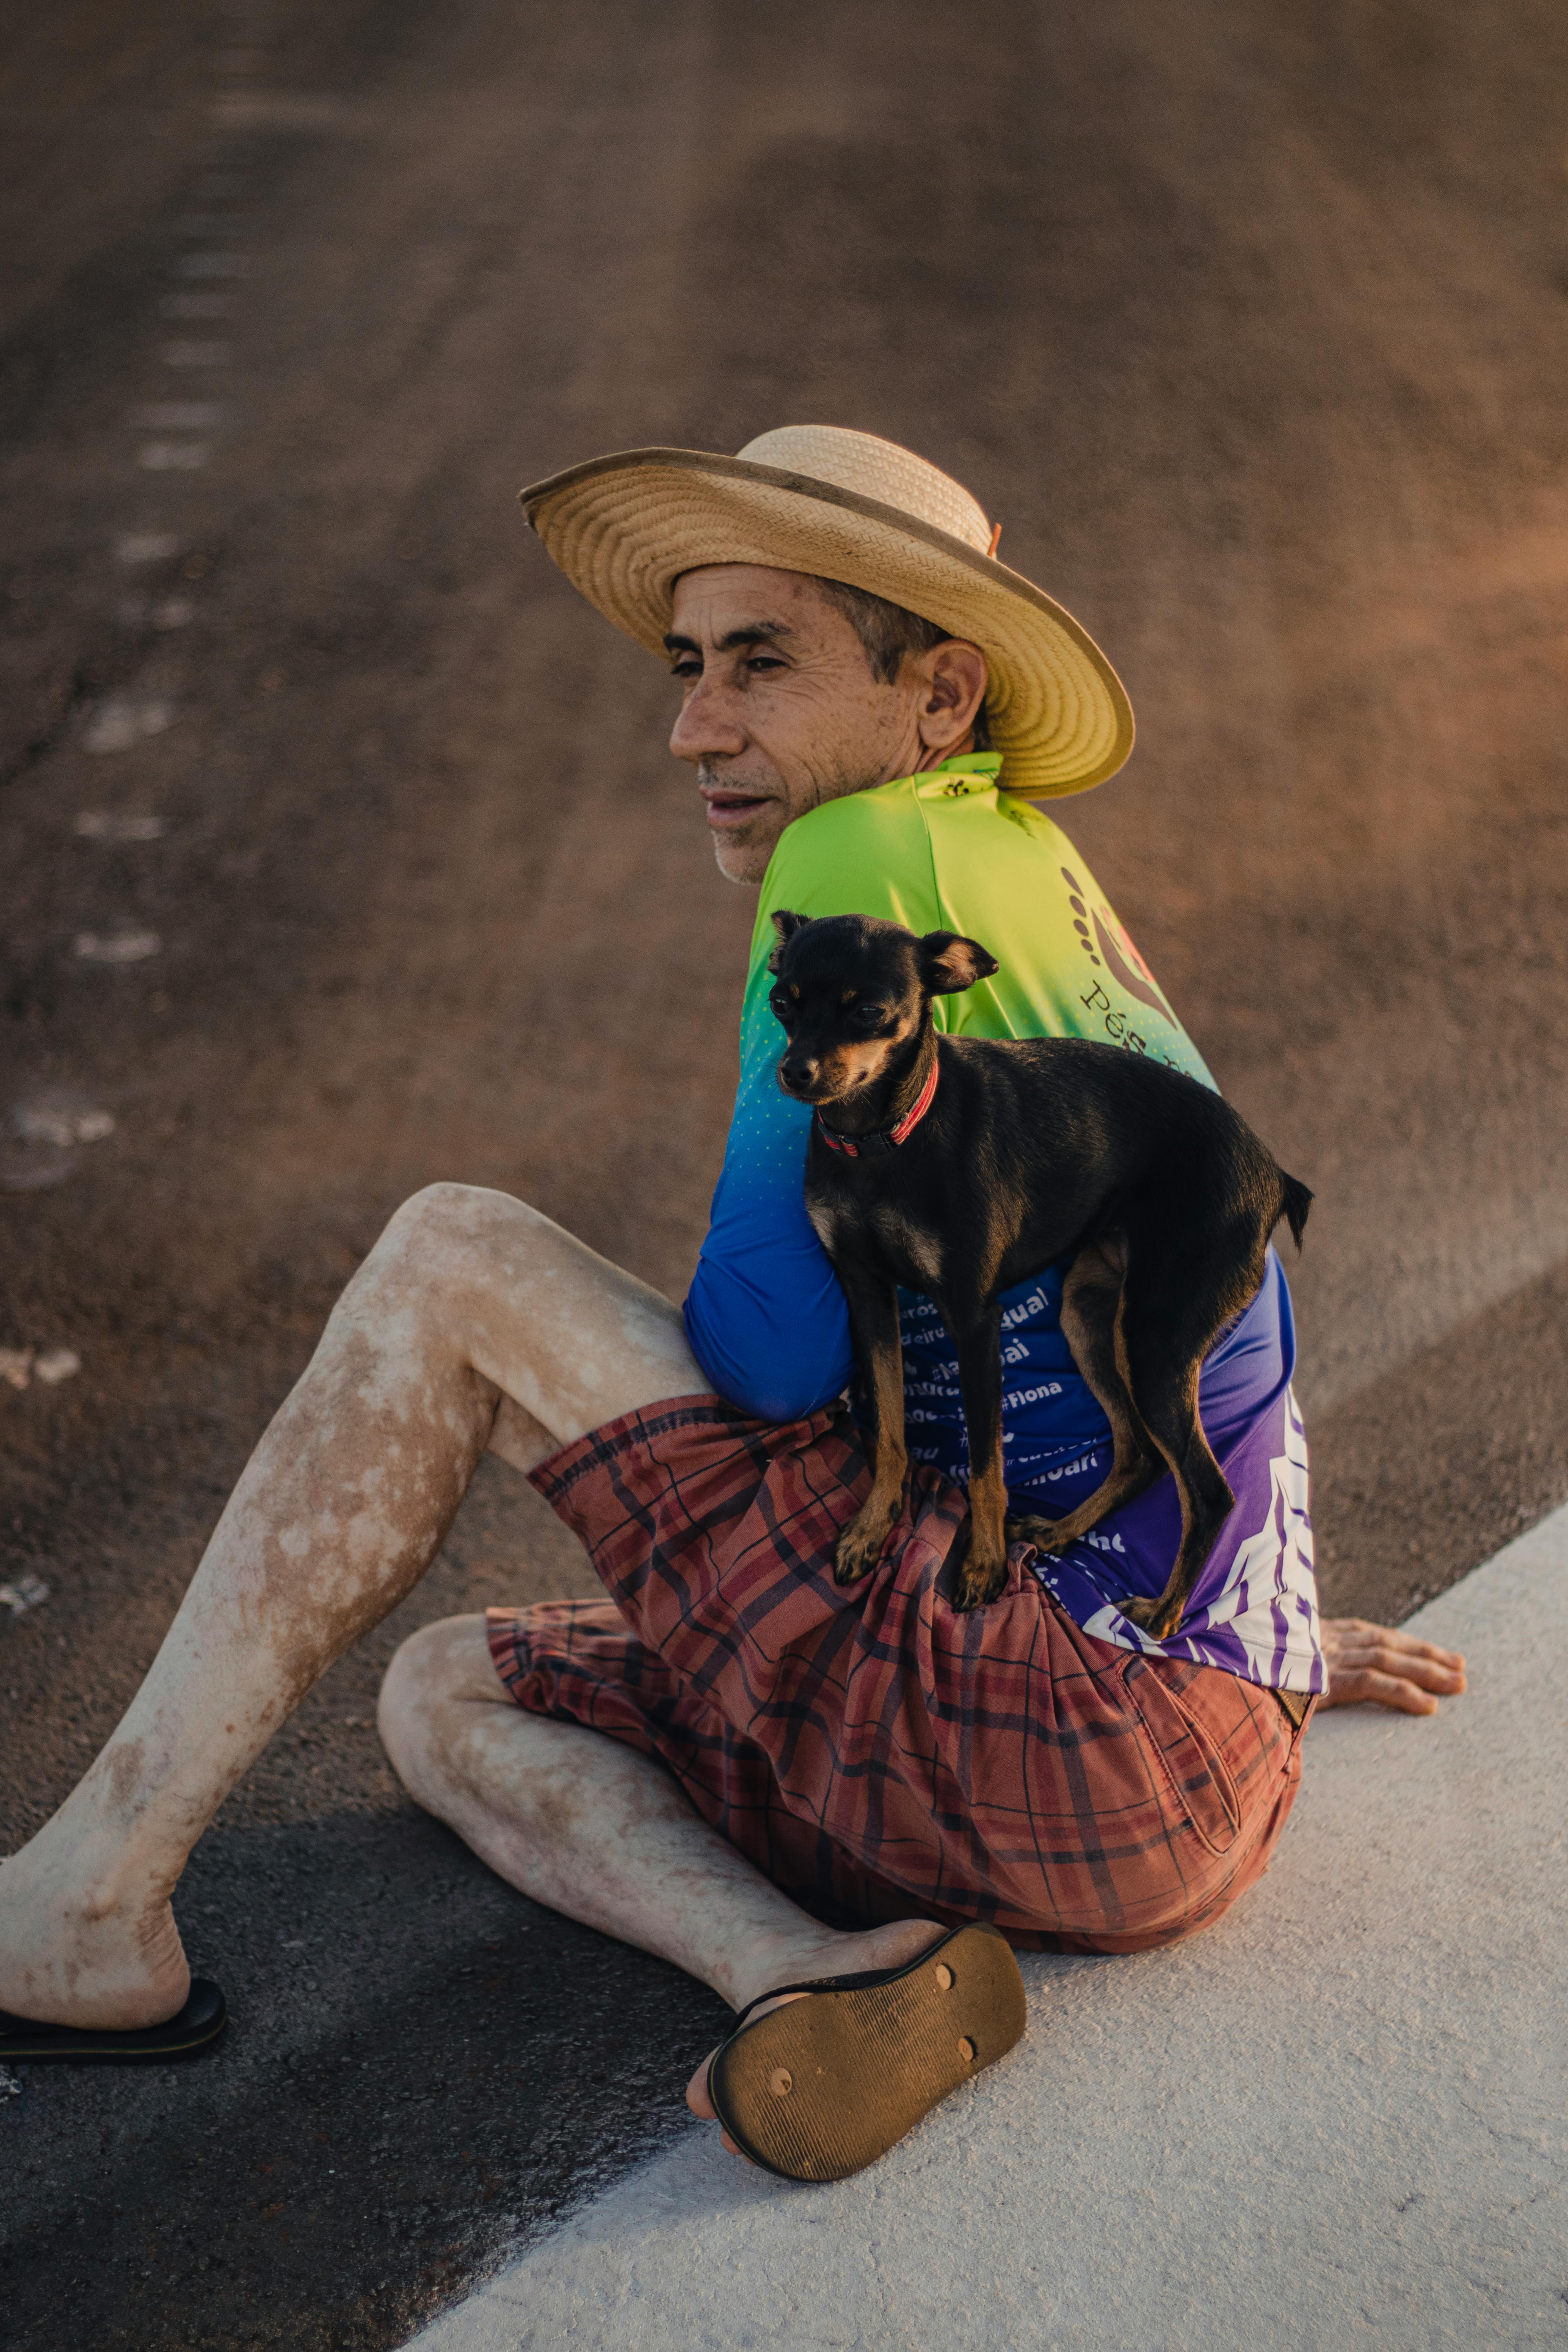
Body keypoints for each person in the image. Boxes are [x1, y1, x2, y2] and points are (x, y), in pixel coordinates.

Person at [0, 428, 1464, 2174]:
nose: (693, 728)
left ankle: (87, 1908)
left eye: (761, 663)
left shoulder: (857, 865)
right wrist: (1247, 1635)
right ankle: (813, 1973)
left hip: (1073, 1724)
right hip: (1199, 1760)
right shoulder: (1031, 880)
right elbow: (1194, 1298)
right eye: (689, 667)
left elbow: (769, 1363)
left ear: (939, 694)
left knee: (452, 1253)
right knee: (447, 1694)